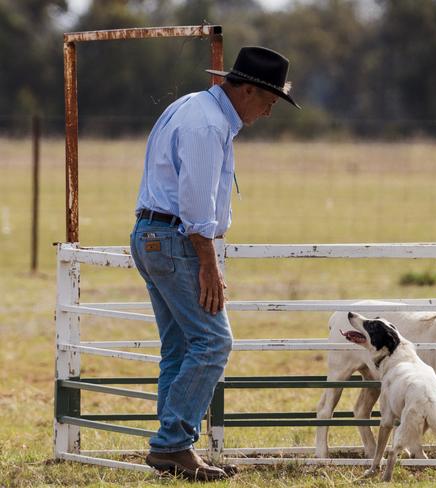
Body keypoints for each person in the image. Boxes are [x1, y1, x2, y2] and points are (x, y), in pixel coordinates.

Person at [130, 46, 299, 481]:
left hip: (154, 235)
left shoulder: (193, 106)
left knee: (182, 346)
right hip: (177, 240)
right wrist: (209, 264)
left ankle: (171, 447)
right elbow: (194, 203)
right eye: (269, 101)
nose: (269, 112)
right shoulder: (207, 124)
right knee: (213, 342)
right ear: (247, 90)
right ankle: (172, 443)